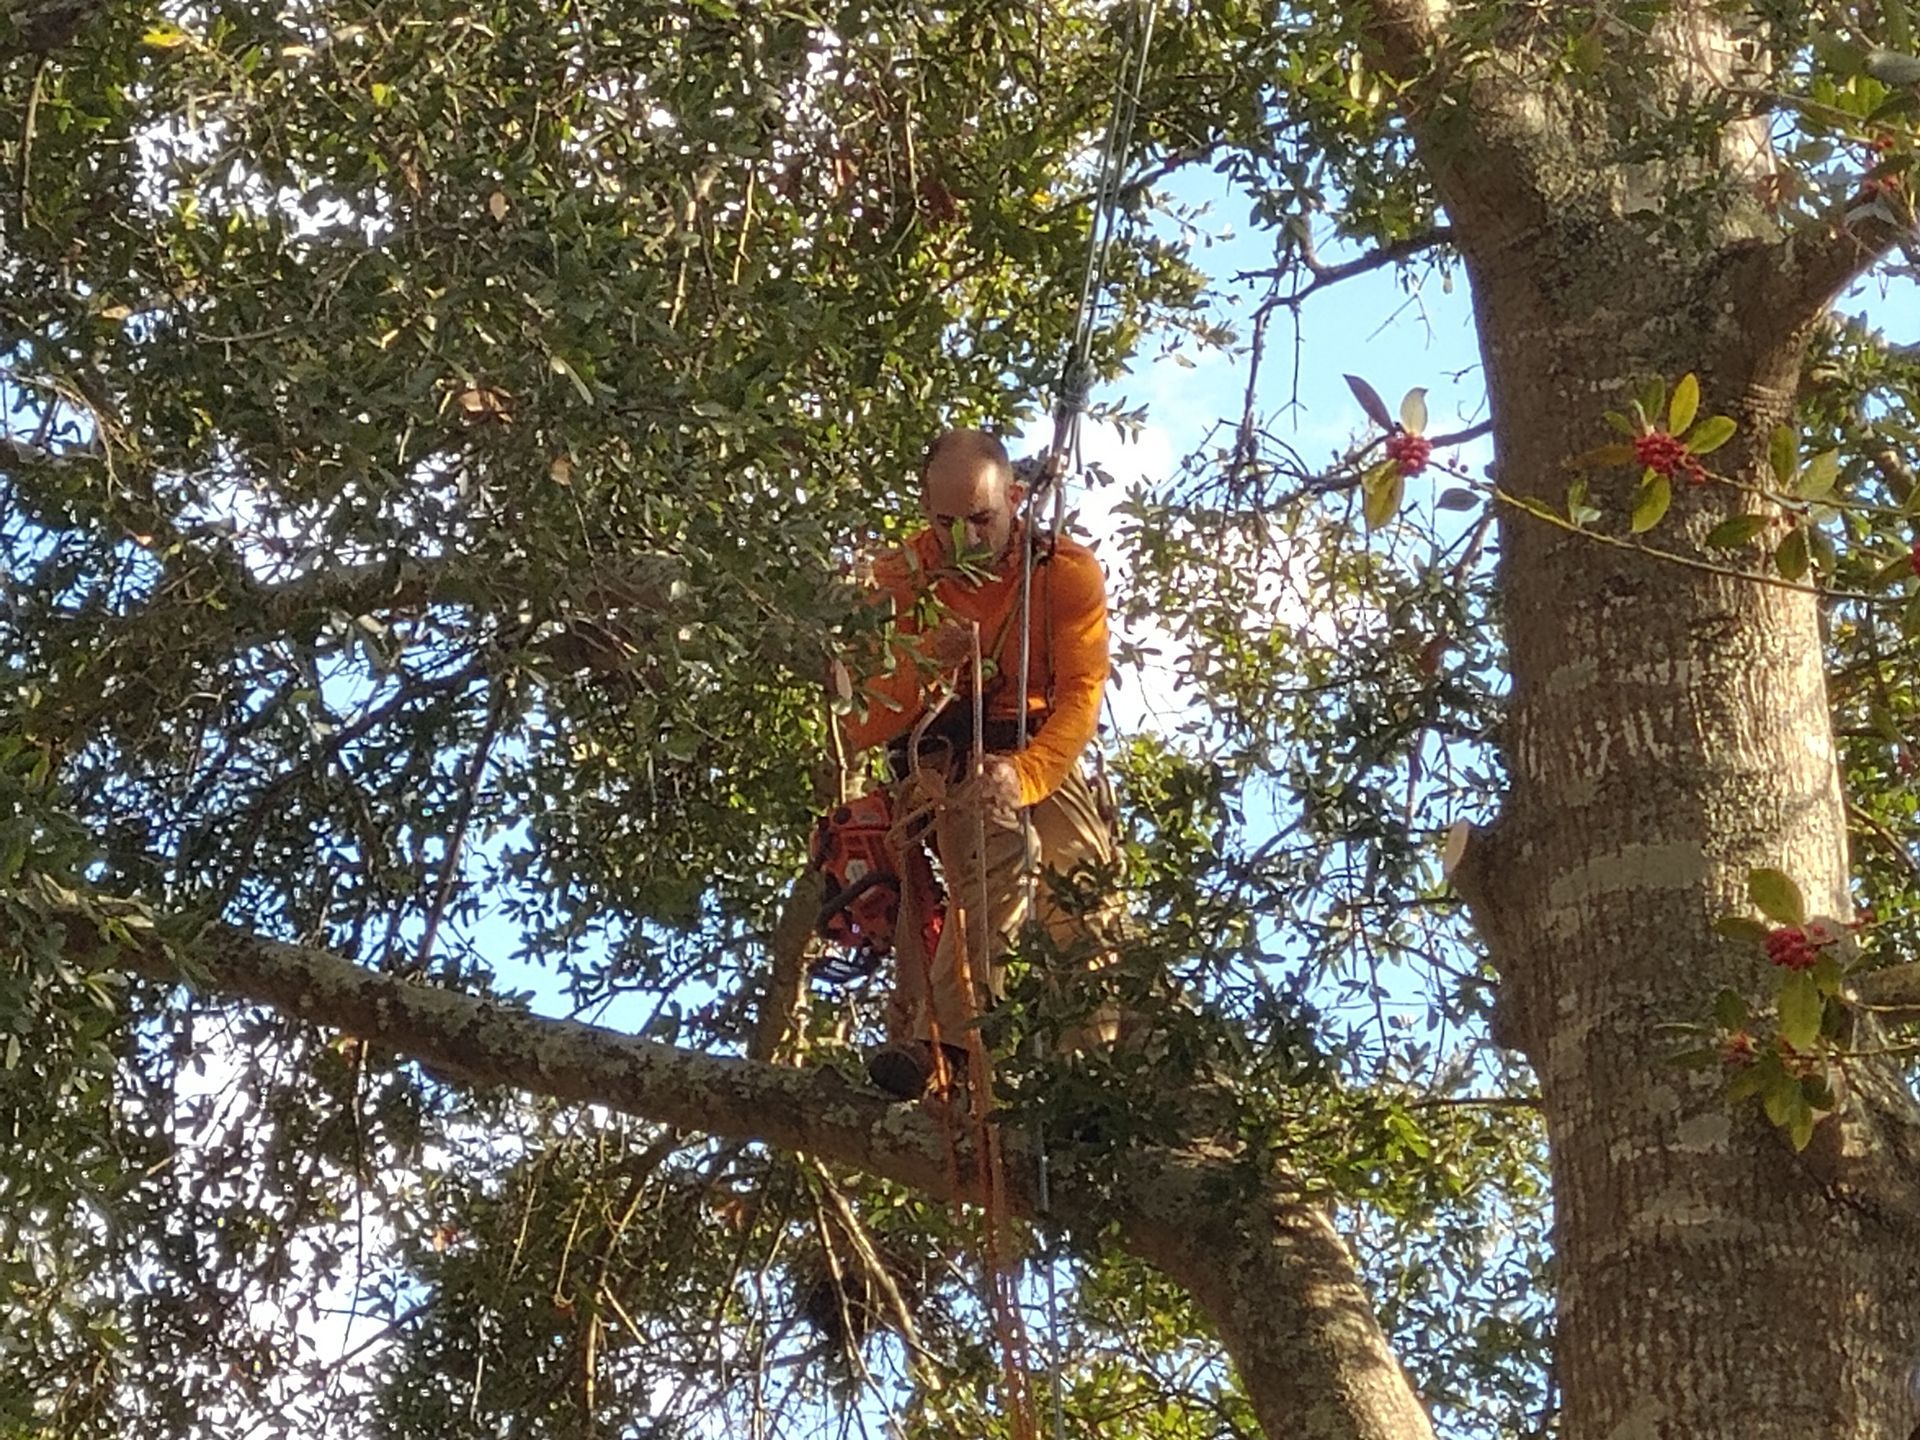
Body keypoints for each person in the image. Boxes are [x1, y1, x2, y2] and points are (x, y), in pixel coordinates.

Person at [838, 427, 1116, 1100]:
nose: (962, 540)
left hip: (1032, 748)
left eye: (981, 520)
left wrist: (1025, 774)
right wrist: (924, 666)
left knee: (1084, 893)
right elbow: (855, 723)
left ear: (1016, 498)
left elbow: (1082, 697)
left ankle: (1093, 1076)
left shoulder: (1062, 572)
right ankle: (947, 1045)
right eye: (944, 523)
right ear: (924, 512)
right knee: (999, 851)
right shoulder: (897, 579)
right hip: (943, 758)